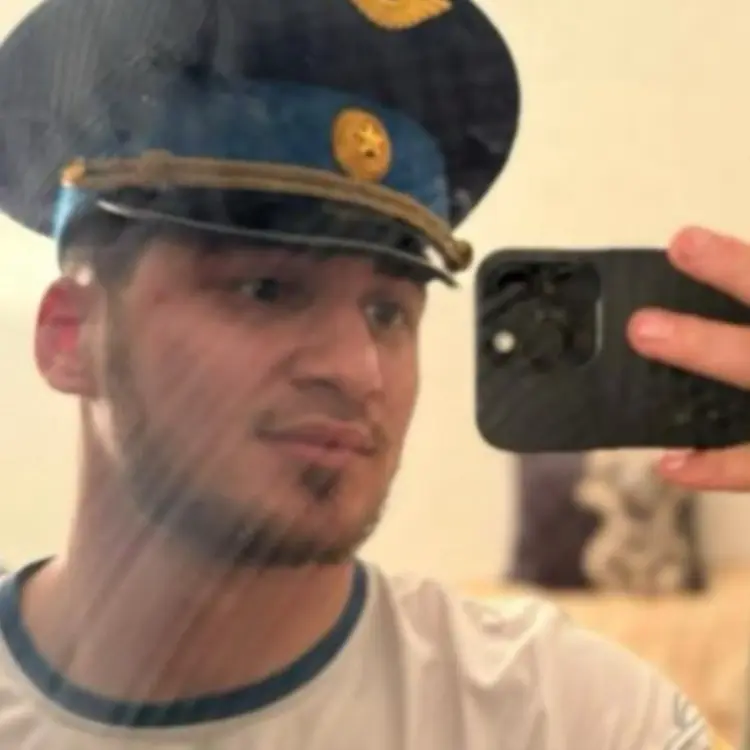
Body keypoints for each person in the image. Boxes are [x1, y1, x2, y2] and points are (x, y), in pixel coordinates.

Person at [0, 0, 744, 748]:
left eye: (388, 312)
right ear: (71, 336)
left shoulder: (570, 719)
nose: (359, 371)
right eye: (266, 289)